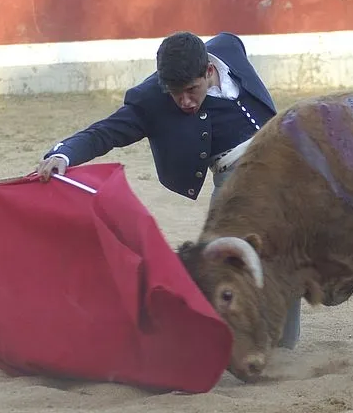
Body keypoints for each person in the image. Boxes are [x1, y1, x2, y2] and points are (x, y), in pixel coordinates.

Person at [35, 30, 302, 349]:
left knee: (289, 256)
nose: (185, 101)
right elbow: (104, 133)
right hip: (236, 183)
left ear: (209, 71)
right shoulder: (152, 100)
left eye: (192, 90)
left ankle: (284, 346)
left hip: (287, 166)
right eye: (176, 94)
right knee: (224, 266)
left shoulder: (229, 48)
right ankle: (214, 347)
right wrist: (63, 154)